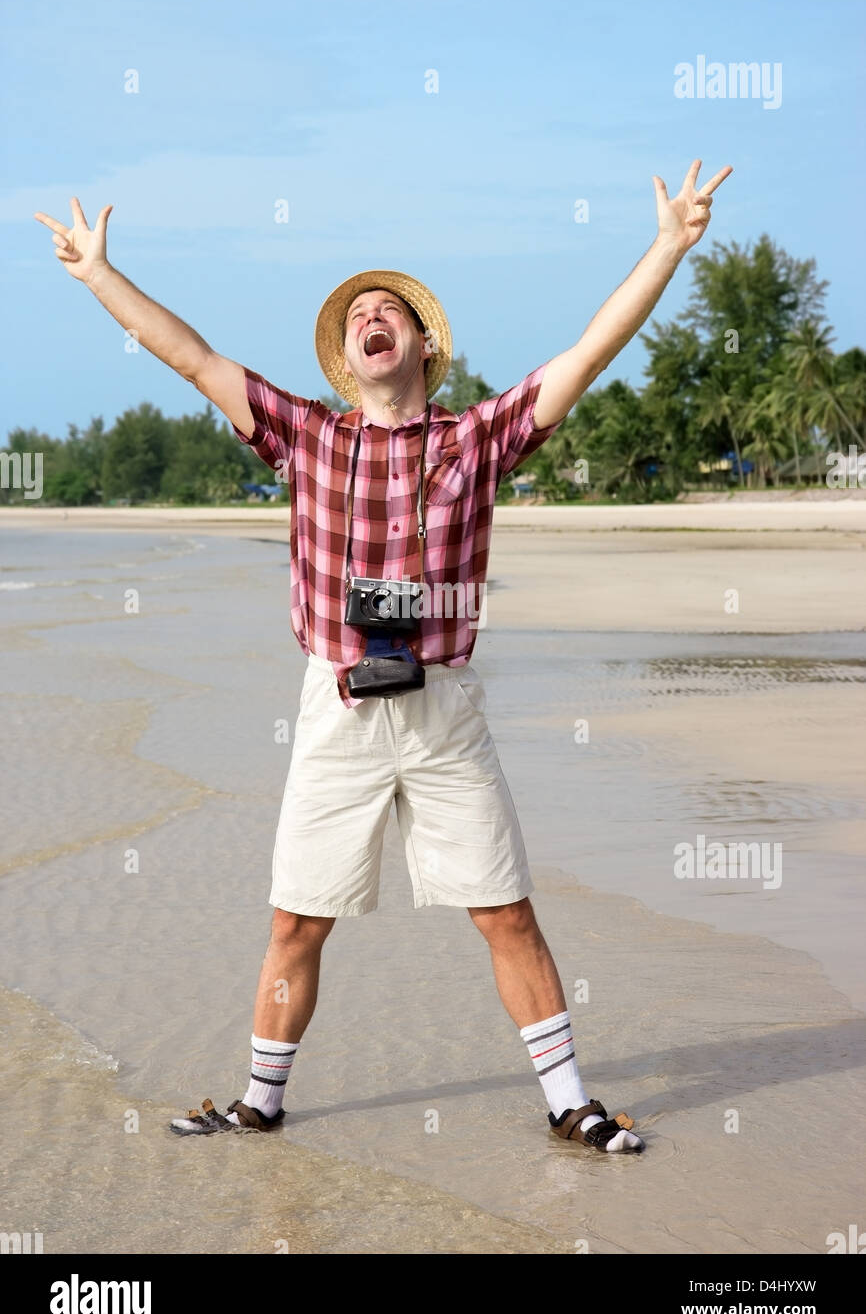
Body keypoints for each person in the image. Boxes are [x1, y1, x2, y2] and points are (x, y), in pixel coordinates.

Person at [35, 158, 731, 1153]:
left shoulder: (476, 440)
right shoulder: (306, 437)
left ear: (419, 343)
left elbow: (586, 352)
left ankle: (569, 1099)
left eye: (389, 309)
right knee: (295, 923)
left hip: (443, 709)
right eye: (358, 311)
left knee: (504, 913)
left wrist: (666, 245)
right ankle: (258, 1100)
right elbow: (190, 357)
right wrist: (101, 275)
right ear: (345, 354)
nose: (372, 316)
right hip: (337, 707)